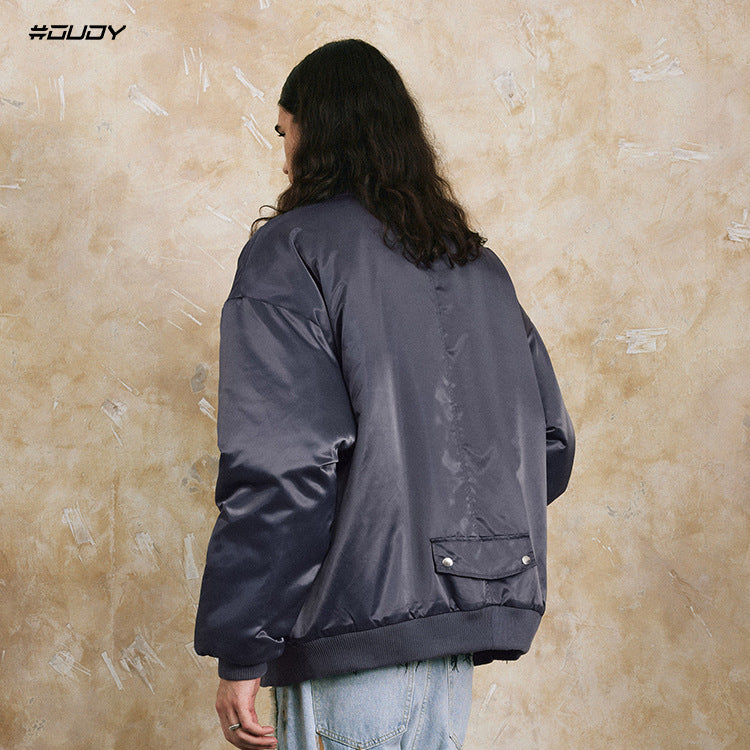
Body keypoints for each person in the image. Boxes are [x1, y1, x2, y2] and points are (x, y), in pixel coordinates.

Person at [194, 39, 575, 750]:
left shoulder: (292, 251)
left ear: (316, 132)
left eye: (284, 132)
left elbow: (284, 466)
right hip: (449, 641)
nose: (283, 158)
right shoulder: (477, 264)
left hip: (351, 628)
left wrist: (242, 647)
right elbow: (547, 442)